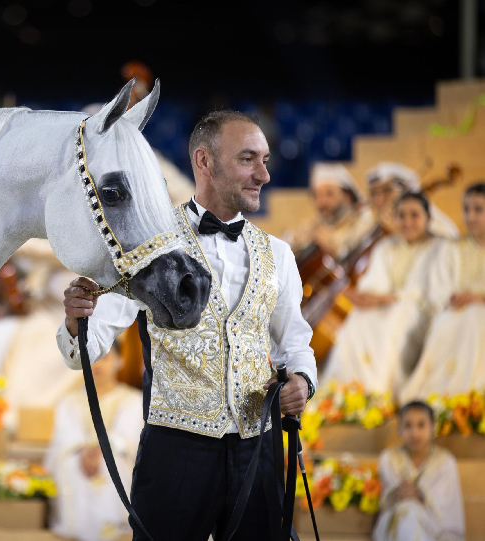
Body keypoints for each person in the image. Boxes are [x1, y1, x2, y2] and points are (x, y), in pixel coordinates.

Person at [56, 110, 317, 540]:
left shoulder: (279, 254)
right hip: (176, 449)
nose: (264, 175)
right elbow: (85, 344)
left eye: (265, 160)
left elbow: (295, 343)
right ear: (204, 161)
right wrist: (75, 319)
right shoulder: (149, 244)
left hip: (259, 448)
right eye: (248, 159)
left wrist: (303, 381)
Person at [321, 192, 442, 394]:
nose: (407, 222)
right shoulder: (386, 247)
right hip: (386, 304)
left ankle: (381, 392)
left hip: (420, 309)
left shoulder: (439, 247)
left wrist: (387, 298)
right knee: (357, 319)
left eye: (415, 215)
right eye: (401, 215)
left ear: (428, 218)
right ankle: (351, 392)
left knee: (397, 318)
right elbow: (374, 283)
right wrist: (364, 296)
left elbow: (434, 291)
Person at [45, 344, 143, 541]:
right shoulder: (69, 400)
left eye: (105, 358)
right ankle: (74, 532)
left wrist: (101, 452)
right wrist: (82, 451)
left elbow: (127, 437)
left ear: (119, 361)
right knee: (70, 465)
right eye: (92, 359)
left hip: (115, 456)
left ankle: (116, 531)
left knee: (111, 465)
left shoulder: (133, 399)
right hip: (78, 456)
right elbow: (67, 436)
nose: (98, 364)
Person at [400, 183, 485, 403]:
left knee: (476, 316)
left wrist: (477, 298)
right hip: (454, 312)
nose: (471, 216)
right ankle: (448, 396)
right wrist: (453, 298)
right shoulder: (452, 248)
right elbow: (438, 289)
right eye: (467, 209)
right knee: (452, 321)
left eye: (478, 210)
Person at [373, 401, 465, 541]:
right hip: (396, 525)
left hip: (434, 529)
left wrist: (421, 496)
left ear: (433, 427)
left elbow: (448, 510)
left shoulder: (445, 462)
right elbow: (384, 501)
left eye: (421, 425)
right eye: (408, 426)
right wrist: (397, 494)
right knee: (407, 510)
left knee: (410, 511)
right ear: (399, 429)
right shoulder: (389, 458)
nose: (414, 433)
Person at [286, 162, 375, 260]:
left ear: (347, 196)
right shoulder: (314, 225)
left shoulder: (364, 223)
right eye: (317, 195)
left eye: (329, 194)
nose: (322, 202)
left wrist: (335, 248)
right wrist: (294, 241)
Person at [366, 162, 459, 239]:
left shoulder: (438, 227)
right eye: (373, 194)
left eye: (387, 191)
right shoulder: (372, 225)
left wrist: (399, 232)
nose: (379, 200)